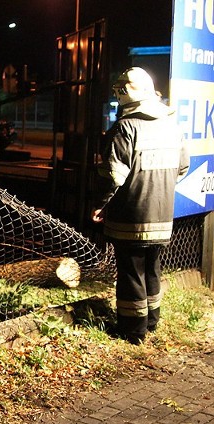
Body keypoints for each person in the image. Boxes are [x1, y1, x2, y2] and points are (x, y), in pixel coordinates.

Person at [92, 67, 190, 344]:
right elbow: (182, 169)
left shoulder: (125, 127)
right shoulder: (172, 125)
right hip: (162, 214)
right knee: (152, 268)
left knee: (131, 272)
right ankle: (152, 321)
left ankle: (132, 330)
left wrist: (101, 205)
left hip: (131, 216)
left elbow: (115, 176)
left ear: (124, 93)